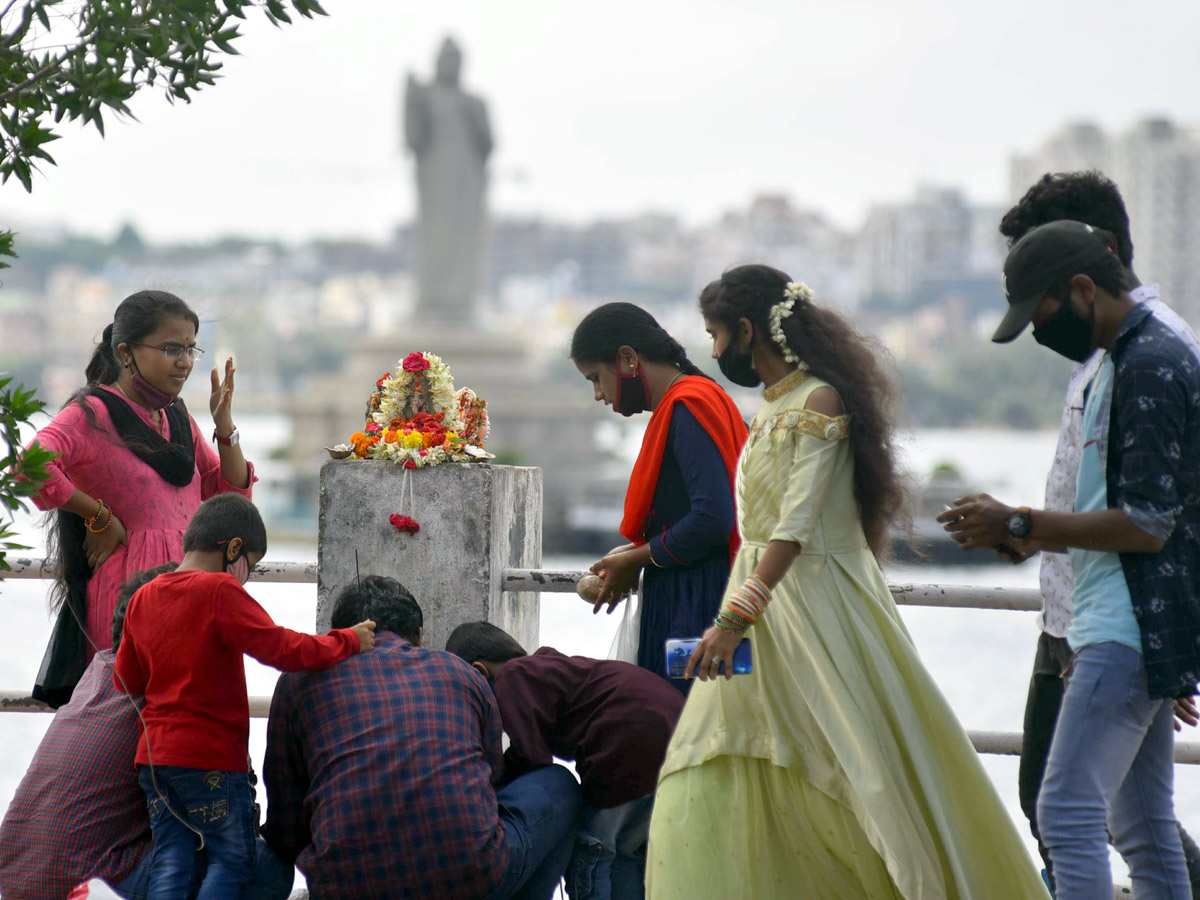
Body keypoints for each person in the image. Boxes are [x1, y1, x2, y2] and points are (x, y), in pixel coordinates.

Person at [646, 264, 1048, 898]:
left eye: (716, 334)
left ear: (748, 330)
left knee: (860, 768)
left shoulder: (819, 401)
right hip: (763, 604)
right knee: (720, 755)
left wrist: (732, 619)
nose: (713, 350)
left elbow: (797, 523)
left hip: (814, 603)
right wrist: (742, 612)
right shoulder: (773, 403)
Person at [940, 220, 1200, 899]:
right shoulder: (1120, 361)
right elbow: (1129, 515)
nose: (1036, 333)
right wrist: (1025, 535)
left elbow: (1147, 526)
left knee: (1065, 811)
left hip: (1126, 624)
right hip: (1127, 620)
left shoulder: (1150, 364)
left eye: (1043, 314)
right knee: (1142, 823)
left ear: (1084, 287)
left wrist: (1023, 520)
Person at [114, 495, 375, 899]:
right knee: (232, 858)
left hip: (153, 758)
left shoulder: (144, 596)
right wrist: (347, 640)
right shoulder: (219, 589)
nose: (245, 578)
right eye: (248, 566)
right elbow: (283, 649)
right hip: (210, 758)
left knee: (172, 858)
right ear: (233, 548)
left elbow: (124, 680)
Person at [262, 576, 582, 900]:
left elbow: (285, 821)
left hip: (343, 886)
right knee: (560, 782)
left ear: (338, 633)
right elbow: (491, 779)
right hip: (469, 877)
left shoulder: (297, 682)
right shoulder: (462, 673)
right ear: (417, 635)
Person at [0, 562, 295, 900]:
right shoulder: (178, 698)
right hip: (86, 881)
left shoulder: (93, 676)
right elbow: (237, 813)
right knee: (265, 867)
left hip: (18, 876)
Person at [27, 289, 254, 707]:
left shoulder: (176, 417)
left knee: (183, 726)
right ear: (127, 352)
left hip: (189, 591)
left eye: (190, 349)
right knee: (136, 723)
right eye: (171, 349)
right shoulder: (91, 414)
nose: (184, 362)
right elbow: (29, 465)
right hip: (129, 599)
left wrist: (224, 426)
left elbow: (228, 496)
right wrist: (98, 516)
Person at [570, 302, 747, 691]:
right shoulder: (687, 401)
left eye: (596, 378)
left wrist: (636, 557)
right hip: (690, 593)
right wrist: (635, 552)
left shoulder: (688, 404)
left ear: (628, 359)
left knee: (680, 730)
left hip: (697, 603)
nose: (598, 394)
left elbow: (712, 520)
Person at [445, 621, 685, 900]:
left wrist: (492, 783)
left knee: (592, 853)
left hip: (625, 741)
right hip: (673, 732)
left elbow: (532, 757)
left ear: (478, 672)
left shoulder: (512, 676)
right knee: (625, 854)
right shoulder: (546, 667)